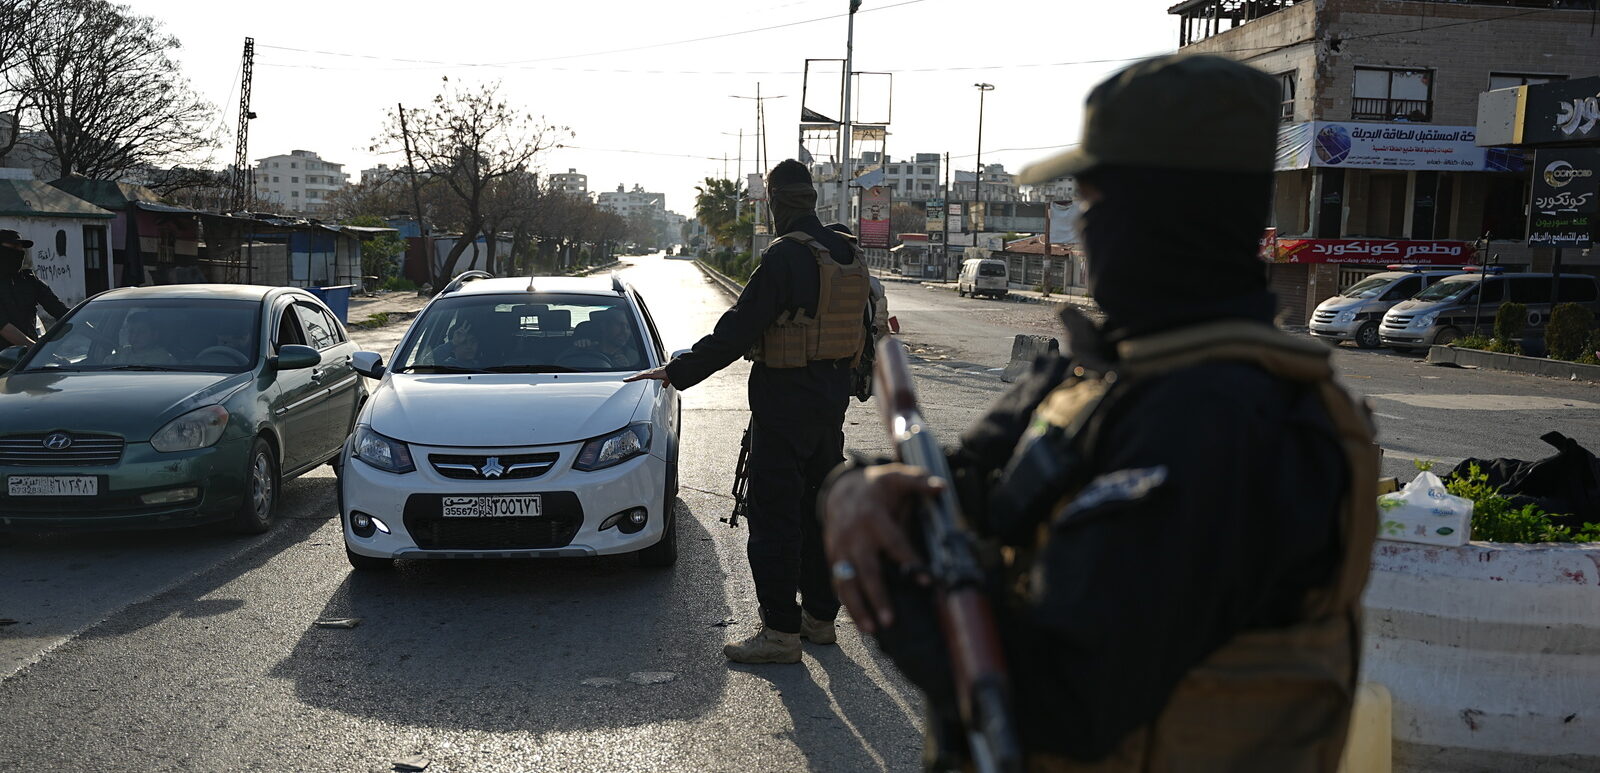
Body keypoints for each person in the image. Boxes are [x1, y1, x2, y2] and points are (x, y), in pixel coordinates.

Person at [821, 54, 1378, 770]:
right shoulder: (1106, 372)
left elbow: (1056, 701)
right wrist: (854, 492)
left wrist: (887, 576)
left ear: (1148, 214)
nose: (1083, 234)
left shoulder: (1233, 425)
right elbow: (956, 484)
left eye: (1087, 206)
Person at [627, 160, 872, 664]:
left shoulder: (785, 258)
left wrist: (677, 371)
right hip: (830, 405)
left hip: (784, 407)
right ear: (813, 200)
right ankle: (820, 619)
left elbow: (738, 330)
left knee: (775, 517)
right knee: (820, 510)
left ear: (776, 204)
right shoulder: (846, 250)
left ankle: (781, 634)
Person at [0, 229, 68, 348]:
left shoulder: (29, 280)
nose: (19, 252)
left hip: (26, 361)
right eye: (14, 246)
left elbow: (62, 312)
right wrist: (36, 351)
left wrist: (99, 336)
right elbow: (4, 327)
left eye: (21, 248)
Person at [574, 309, 642, 368]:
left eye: (628, 327)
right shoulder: (586, 348)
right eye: (619, 324)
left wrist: (628, 368)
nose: (625, 331)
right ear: (604, 326)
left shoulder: (636, 358)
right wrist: (579, 348)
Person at [104, 312, 177, 366]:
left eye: (142, 332)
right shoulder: (119, 355)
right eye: (131, 331)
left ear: (154, 335)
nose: (135, 336)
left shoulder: (165, 359)